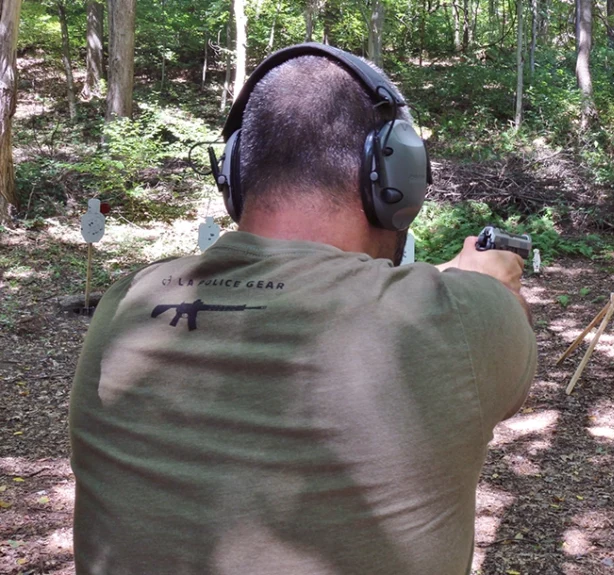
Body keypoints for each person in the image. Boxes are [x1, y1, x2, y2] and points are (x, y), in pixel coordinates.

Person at [69, 43, 537, 575]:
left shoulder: (125, 301)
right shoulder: (458, 315)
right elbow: (505, 351)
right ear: (397, 177)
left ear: (235, 175)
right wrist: (486, 285)